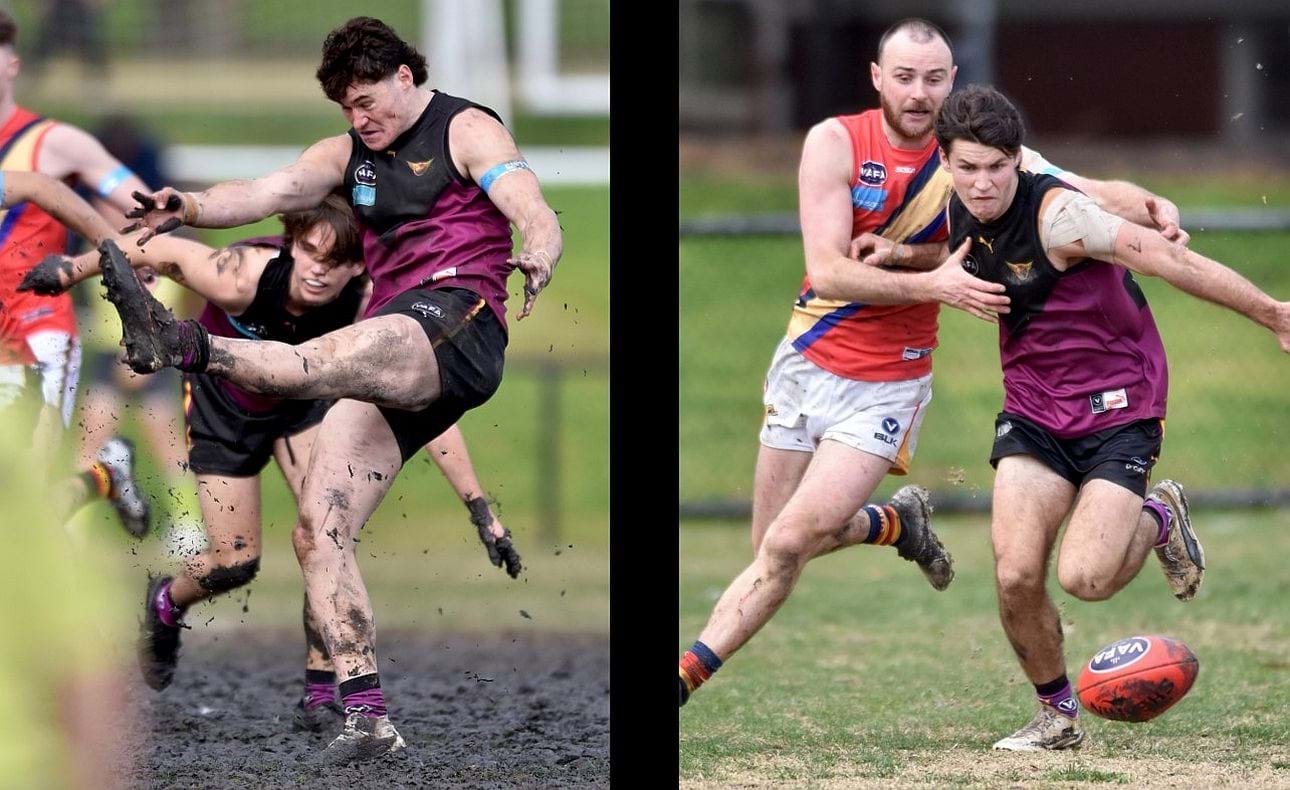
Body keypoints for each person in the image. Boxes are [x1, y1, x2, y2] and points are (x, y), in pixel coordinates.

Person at [677, 17, 1191, 708]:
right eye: (905, 76)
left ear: (953, 81)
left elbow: (1089, 189)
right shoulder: (834, 141)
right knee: (772, 541)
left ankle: (686, 677)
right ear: (877, 78)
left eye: (934, 78)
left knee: (788, 543)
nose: (919, 93)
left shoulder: (974, 155)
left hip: (888, 378)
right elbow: (826, 270)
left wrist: (1154, 206)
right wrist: (928, 277)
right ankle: (894, 524)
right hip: (805, 356)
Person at [91, 16, 560, 762]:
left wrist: (538, 242)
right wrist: (190, 207)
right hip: (397, 339)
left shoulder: (465, 128)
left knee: (306, 363)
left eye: (368, 100)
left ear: (406, 76)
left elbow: (525, 194)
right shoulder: (345, 153)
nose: (358, 119)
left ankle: (180, 342)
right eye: (346, 106)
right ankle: (366, 716)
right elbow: (269, 190)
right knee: (319, 527)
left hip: (457, 318)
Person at [26, 195, 521, 734]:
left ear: (358, 267)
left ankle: (318, 693)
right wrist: (70, 269)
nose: (317, 271)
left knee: (327, 537)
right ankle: (168, 600)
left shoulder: (367, 307)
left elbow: (423, 405)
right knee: (236, 563)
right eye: (309, 252)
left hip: (302, 410)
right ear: (292, 242)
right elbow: (164, 249)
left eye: (334, 264)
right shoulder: (240, 275)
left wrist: (479, 506)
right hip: (226, 410)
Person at [933, 84, 1289, 750]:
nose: (982, 183)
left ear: (1018, 161)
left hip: (1117, 405)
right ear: (947, 163)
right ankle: (1057, 717)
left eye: (996, 168)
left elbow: (1171, 259)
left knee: (1086, 578)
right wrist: (902, 263)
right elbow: (942, 254)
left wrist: (1272, 313)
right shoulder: (950, 199)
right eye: (967, 168)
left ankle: (1159, 516)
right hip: (1035, 408)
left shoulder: (1062, 217)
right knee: (1014, 573)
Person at [0, 9, 153, 526]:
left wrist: (121, 254)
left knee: (30, 497)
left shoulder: (54, 142)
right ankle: (106, 471)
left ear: (12, 63)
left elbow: (145, 207)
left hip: (37, 327)